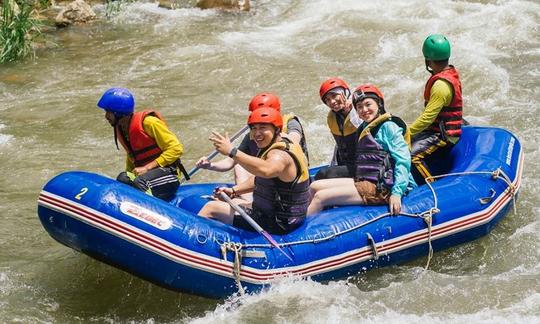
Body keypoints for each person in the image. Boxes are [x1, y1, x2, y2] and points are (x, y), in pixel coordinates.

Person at [308, 84, 417, 215]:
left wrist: (397, 193)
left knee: (321, 197)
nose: (364, 110)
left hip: (384, 187)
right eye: (359, 107)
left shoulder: (389, 127)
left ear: (379, 104)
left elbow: (403, 161)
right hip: (368, 181)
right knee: (314, 187)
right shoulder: (365, 127)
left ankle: (298, 233)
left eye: (368, 105)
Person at [198, 108, 310, 235]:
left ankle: (194, 245)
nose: (257, 133)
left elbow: (266, 170)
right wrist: (234, 191)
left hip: (278, 223)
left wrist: (232, 151)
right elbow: (262, 179)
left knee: (211, 207)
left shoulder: (279, 155)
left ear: (277, 129)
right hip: (274, 213)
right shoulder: (278, 144)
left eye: (263, 128)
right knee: (234, 201)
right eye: (254, 128)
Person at [195, 92, 309, 200]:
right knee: (238, 166)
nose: (257, 118)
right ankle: (246, 199)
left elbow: (294, 138)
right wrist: (210, 165)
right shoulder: (253, 135)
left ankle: (245, 202)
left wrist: (271, 134)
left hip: (288, 177)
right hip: (271, 177)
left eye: (263, 124)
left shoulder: (288, 126)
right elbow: (230, 162)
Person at [97, 87, 188, 201]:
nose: (106, 117)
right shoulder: (122, 128)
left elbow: (176, 148)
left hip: (169, 173)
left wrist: (147, 167)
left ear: (118, 112)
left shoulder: (149, 123)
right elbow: (132, 157)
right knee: (123, 178)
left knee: (141, 181)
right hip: (147, 175)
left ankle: (151, 209)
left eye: (108, 113)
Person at [409, 34, 463, 183]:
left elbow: (427, 118)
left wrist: (407, 132)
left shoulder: (440, 86)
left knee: (412, 156)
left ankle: (433, 185)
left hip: (444, 135)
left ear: (428, 60)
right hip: (438, 128)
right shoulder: (448, 73)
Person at [315, 77, 362, 180]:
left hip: (362, 165)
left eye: (334, 96)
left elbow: (366, 130)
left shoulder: (359, 110)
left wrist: (351, 111)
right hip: (345, 164)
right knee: (323, 174)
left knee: (323, 174)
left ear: (345, 93)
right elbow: (339, 145)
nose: (331, 101)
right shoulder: (332, 117)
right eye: (327, 100)